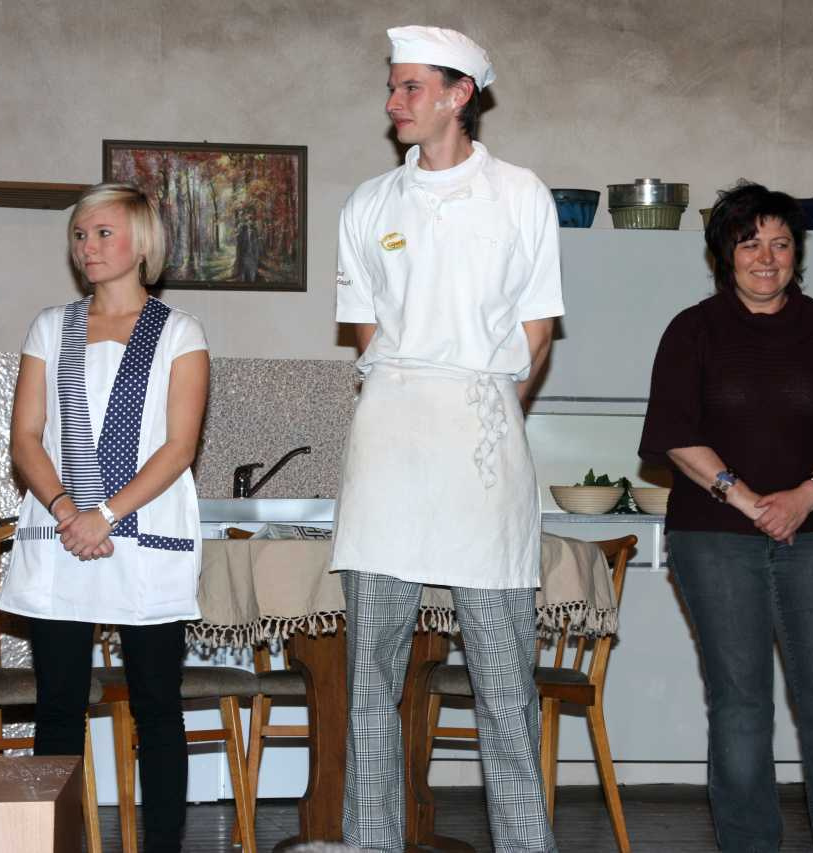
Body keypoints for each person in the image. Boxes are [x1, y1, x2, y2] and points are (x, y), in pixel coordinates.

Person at [330, 24, 563, 852]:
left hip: (482, 449)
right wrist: (411, 393)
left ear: (460, 95)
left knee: (505, 684)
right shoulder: (368, 203)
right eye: (393, 86)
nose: (394, 102)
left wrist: (486, 410)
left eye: (412, 87)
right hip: (388, 446)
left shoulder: (520, 193)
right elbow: (366, 330)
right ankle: (370, 843)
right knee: (370, 681)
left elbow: (537, 330)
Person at [638, 182, 813, 852]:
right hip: (714, 537)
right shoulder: (692, 331)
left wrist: (804, 496)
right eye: (750, 243)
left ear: (797, 253)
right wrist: (751, 500)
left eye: (780, 243)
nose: (766, 257)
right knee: (740, 702)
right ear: (725, 253)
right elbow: (674, 434)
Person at [0, 183, 210, 853]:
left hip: (144, 538)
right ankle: (54, 843)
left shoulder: (179, 332)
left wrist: (108, 514)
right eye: (80, 234)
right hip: (61, 536)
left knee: (157, 705)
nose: (87, 246)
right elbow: (26, 437)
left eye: (102, 233)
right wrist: (69, 511)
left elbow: (179, 447)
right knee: (59, 705)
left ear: (141, 243)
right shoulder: (49, 327)